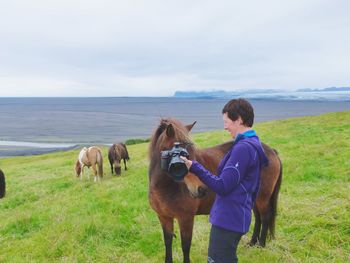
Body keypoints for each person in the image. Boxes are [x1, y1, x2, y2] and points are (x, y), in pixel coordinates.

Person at [180, 98, 268, 263]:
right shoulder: (253, 143)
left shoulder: (243, 148)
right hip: (237, 215)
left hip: (228, 220)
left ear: (239, 119)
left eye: (227, 122)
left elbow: (222, 186)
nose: (225, 126)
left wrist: (194, 166)